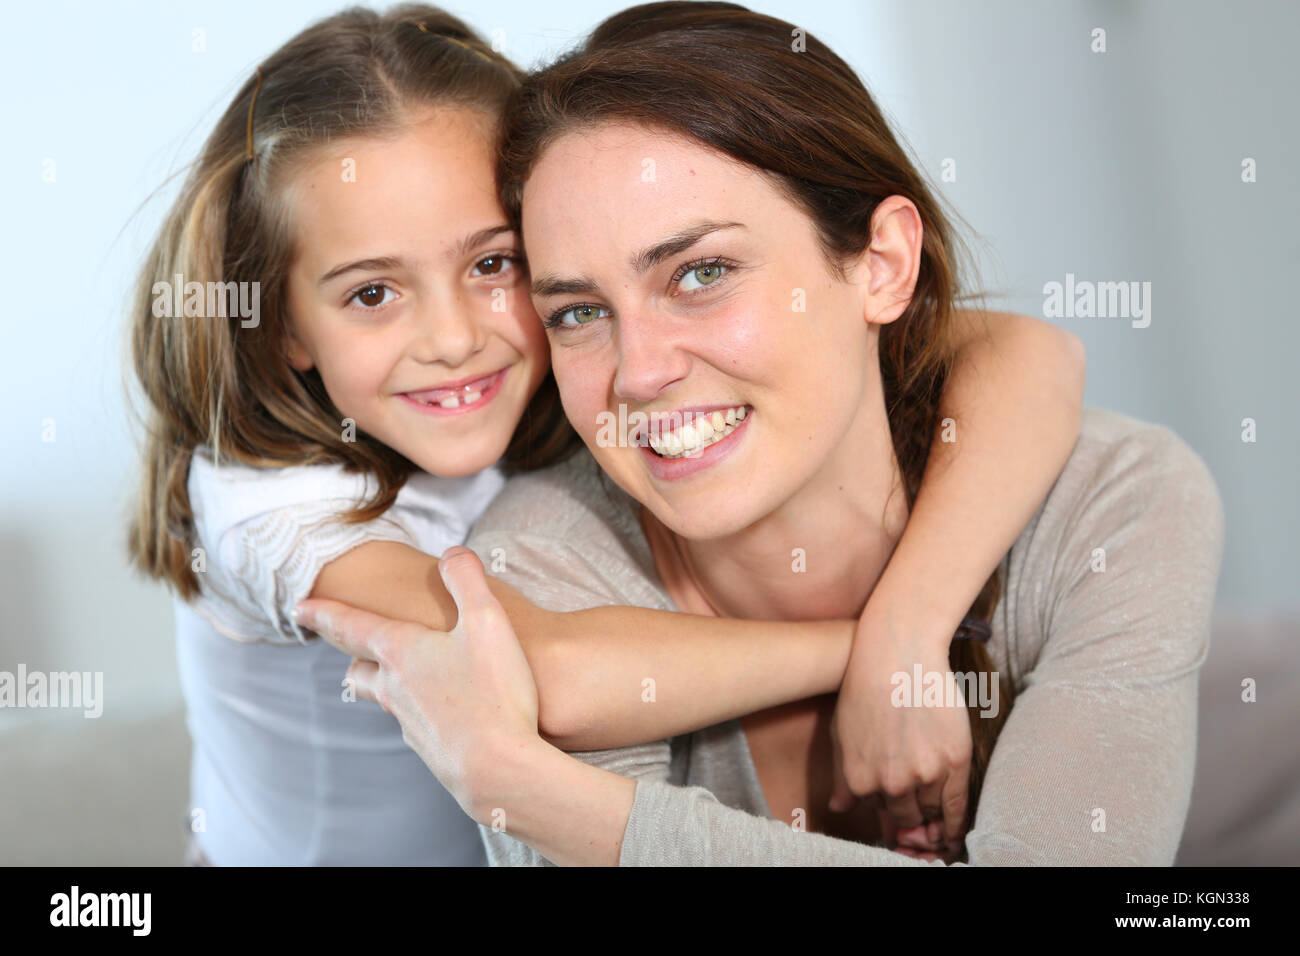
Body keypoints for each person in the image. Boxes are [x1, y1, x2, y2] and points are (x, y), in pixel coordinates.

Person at [128, 3, 1083, 866]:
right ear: (285, 325)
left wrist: (914, 621)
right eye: (373, 293)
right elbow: (531, 671)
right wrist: (875, 650)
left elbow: (1030, 358)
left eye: (493, 264)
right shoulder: (261, 499)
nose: (454, 340)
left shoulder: (579, 372)